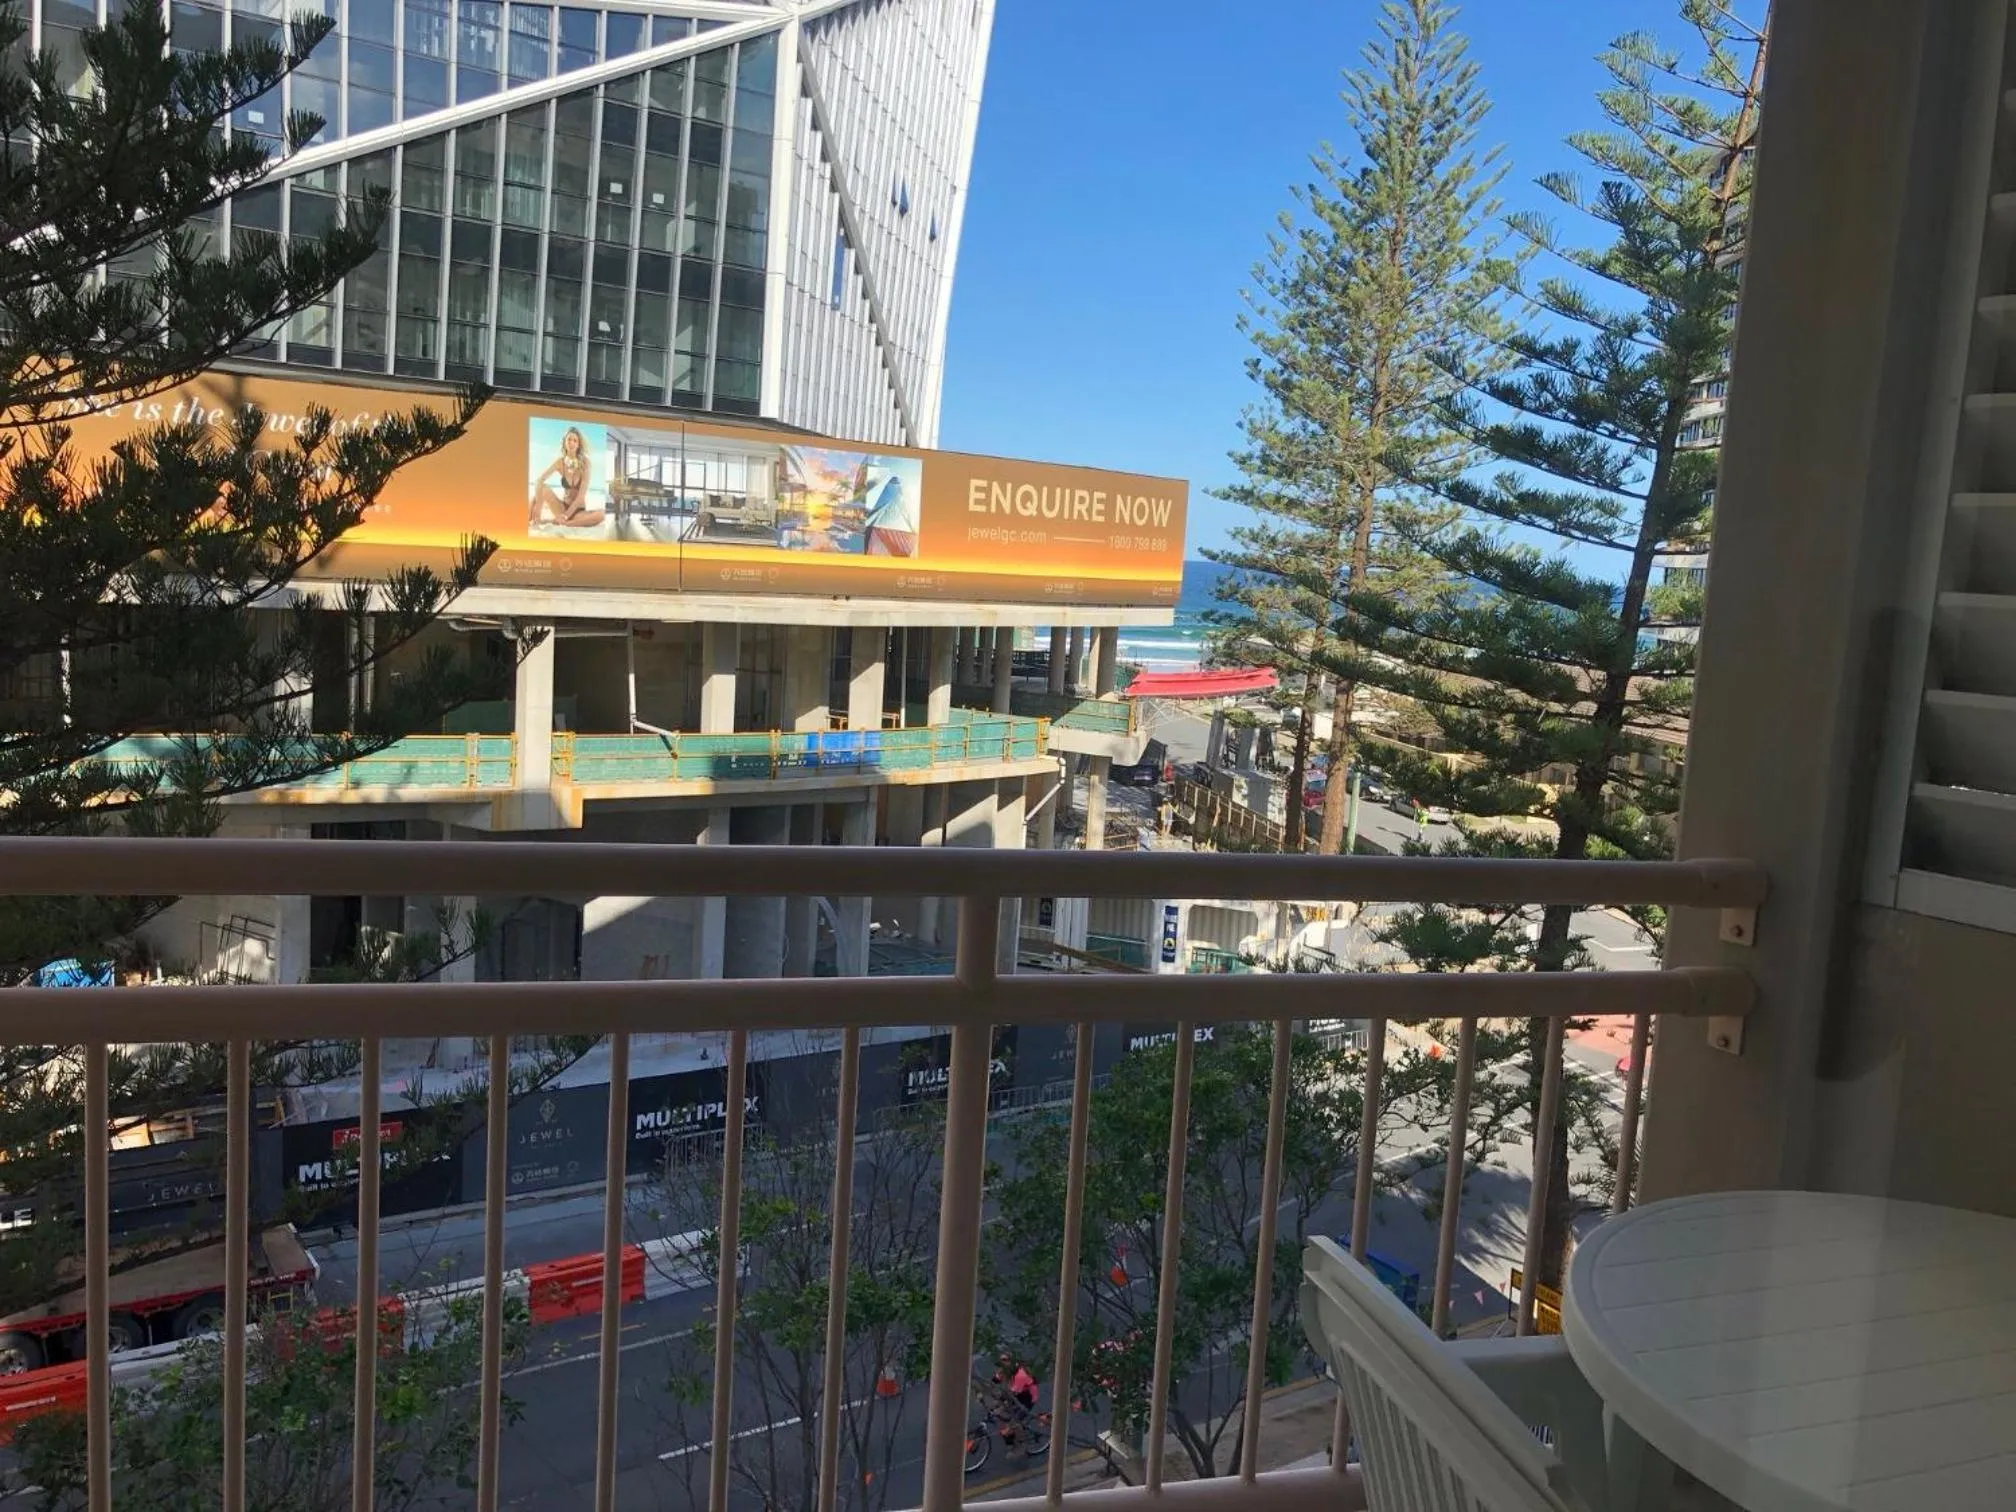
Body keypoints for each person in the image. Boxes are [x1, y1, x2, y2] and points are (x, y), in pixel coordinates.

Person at [530, 425, 605, 527]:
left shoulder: (585, 463)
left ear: (579, 444)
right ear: (564, 442)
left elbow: (580, 497)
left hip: (577, 512)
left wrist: (565, 516)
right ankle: (534, 520)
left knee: (602, 514)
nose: (571, 443)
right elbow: (539, 480)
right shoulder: (560, 462)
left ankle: (565, 523)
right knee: (539, 492)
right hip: (562, 507)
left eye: (575, 440)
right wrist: (538, 506)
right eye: (569, 439)